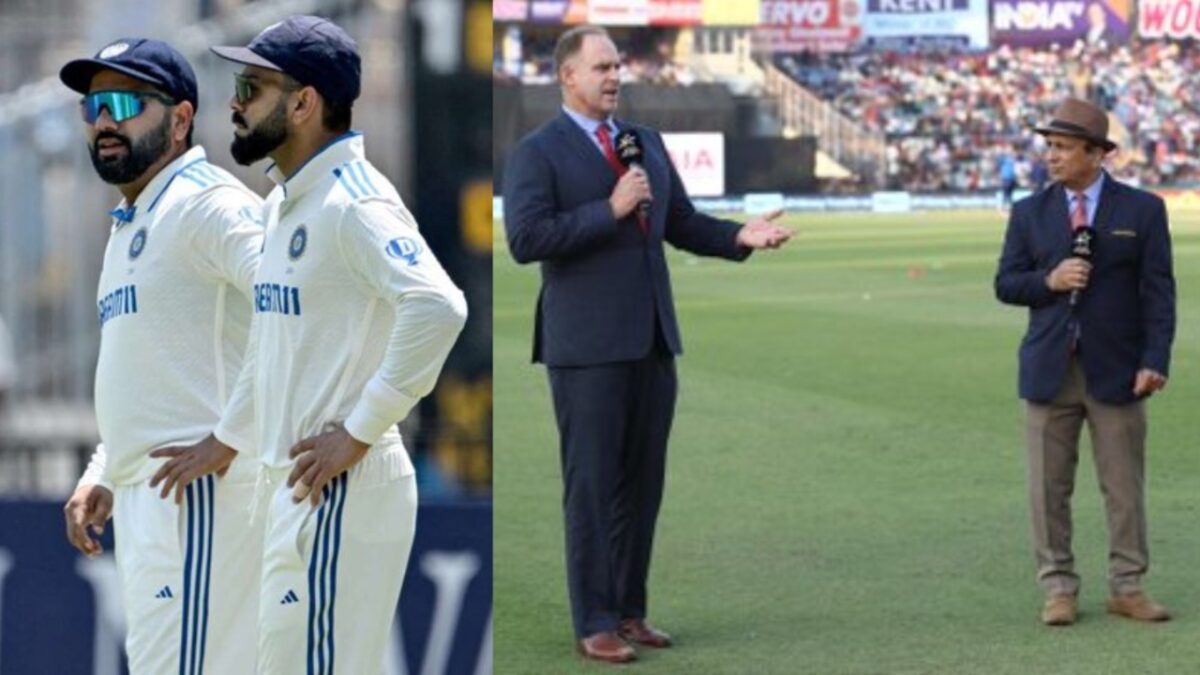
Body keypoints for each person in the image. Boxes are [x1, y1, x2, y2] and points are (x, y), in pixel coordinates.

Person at [146, 16, 468, 673]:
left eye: (251, 86)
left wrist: (359, 428)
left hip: (342, 480)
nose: (234, 102)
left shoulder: (353, 204)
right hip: (297, 482)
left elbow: (439, 305)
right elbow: (274, 341)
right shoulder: (282, 204)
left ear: (303, 102)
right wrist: (230, 435)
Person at [502, 25, 793, 664]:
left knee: (641, 487)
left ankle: (630, 610)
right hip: (586, 348)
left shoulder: (645, 144)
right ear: (567, 76)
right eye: (601, 66)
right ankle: (595, 620)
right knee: (592, 487)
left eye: (618, 67)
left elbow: (681, 224)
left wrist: (741, 235)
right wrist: (607, 209)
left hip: (653, 340)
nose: (614, 77)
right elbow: (526, 239)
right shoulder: (538, 152)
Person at [56, 38, 266, 673]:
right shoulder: (133, 218)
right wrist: (106, 468)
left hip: (200, 498)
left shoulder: (208, 203)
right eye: (93, 107)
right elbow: (144, 369)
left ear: (179, 120)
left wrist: (234, 434)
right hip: (151, 500)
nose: (105, 122)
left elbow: (299, 309)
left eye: (124, 102)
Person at [994, 97, 1175, 627]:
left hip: (1119, 371)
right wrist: (1048, 281)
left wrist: (1155, 358)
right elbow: (1006, 283)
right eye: (1048, 147)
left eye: (1063, 148)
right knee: (1047, 489)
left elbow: (1159, 293)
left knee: (1123, 488)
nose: (1051, 157)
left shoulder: (1143, 209)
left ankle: (1127, 586)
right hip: (1049, 369)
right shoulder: (1029, 211)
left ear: (1096, 154)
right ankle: (1058, 589)